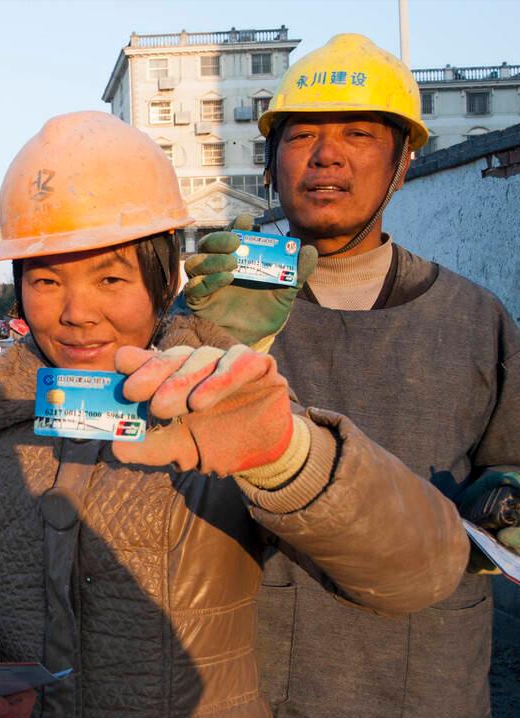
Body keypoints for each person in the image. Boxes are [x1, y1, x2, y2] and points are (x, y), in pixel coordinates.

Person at [0, 111, 468, 717]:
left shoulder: (216, 393)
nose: (75, 312)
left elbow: (420, 571)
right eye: (47, 281)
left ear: (165, 281)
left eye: (111, 278)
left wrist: (285, 455)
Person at [183, 34, 520, 717]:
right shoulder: (218, 303)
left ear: (402, 164)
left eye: (360, 133)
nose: (326, 154)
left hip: (426, 669)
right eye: (302, 134)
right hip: (255, 670)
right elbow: (155, 483)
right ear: (271, 163)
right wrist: (216, 344)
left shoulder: (474, 318)